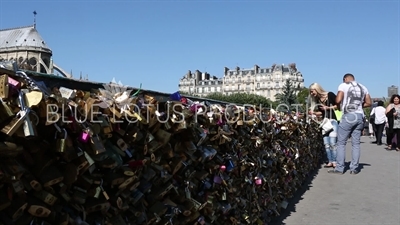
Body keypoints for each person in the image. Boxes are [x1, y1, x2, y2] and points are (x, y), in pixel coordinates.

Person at [328, 73, 371, 175]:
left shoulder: (343, 85)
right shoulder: (363, 87)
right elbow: (369, 102)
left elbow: (338, 99)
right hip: (360, 116)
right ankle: (354, 168)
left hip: (348, 115)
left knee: (341, 143)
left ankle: (339, 168)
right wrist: (358, 106)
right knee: (356, 144)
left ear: (345, 79)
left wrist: (340, 105)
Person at [308, 83, 339, 168]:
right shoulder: (318, 100)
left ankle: (334, 161)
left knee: (332, 143)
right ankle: (330, 161)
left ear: (316, 89)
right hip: (325, 123)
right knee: (326, 143)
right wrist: (314, 113)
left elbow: (338, 106)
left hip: (332, 121)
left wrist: (327, 108)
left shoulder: (330, 95)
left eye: (312, 91)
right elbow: (321, 113)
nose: (311, 94)